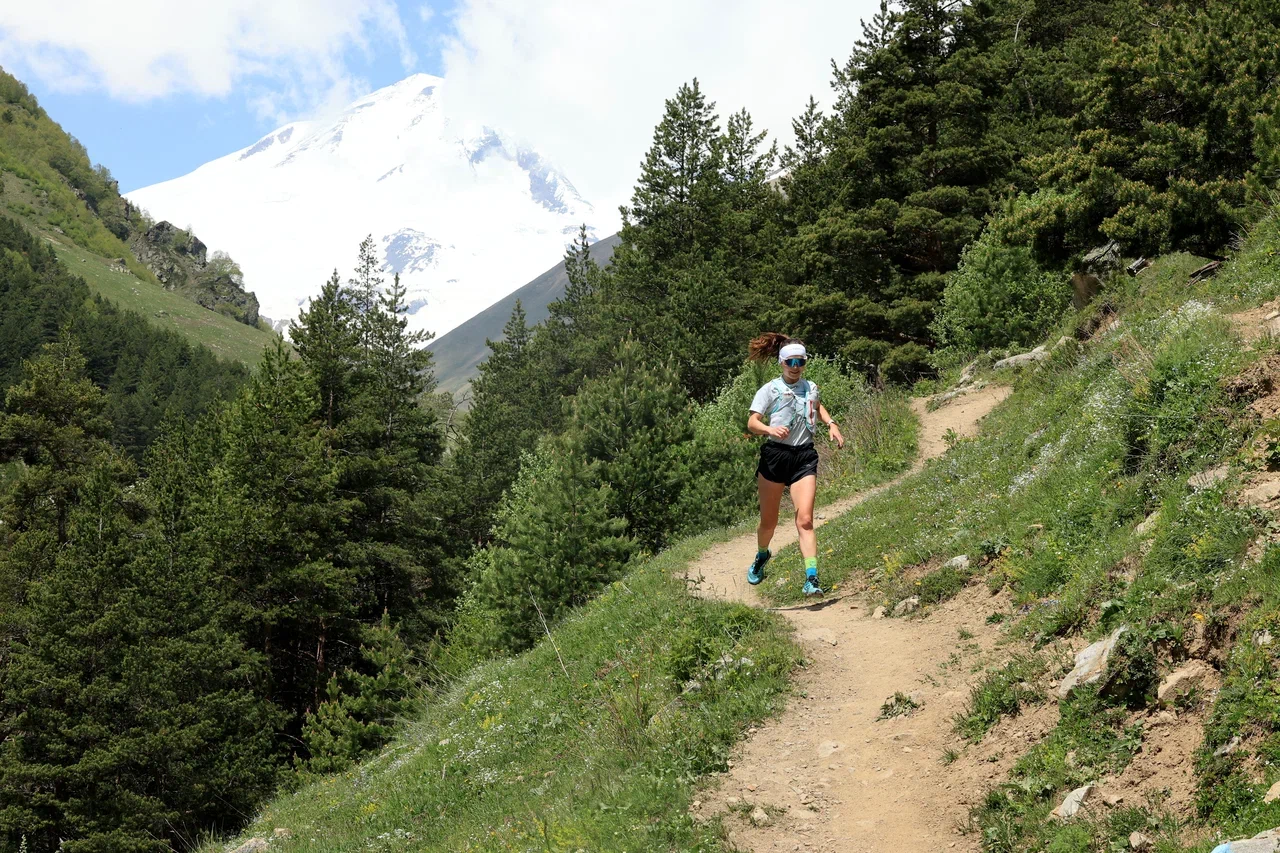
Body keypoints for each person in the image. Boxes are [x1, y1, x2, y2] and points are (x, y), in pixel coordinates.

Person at [745, 333, 844, 596]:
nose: (796, 366)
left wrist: (831, 424)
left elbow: (817, 406)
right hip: (775, 456)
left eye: (800, 361)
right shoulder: (770, 389)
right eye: (790, 362)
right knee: (769, 522)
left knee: (806, 520)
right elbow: (752, 422)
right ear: (781, 363)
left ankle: (811, 578)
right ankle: (762, 555)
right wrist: (769, 429)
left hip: (804, 457)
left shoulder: (811, 387)